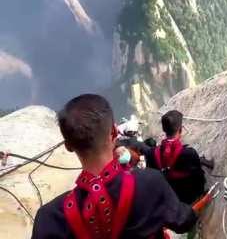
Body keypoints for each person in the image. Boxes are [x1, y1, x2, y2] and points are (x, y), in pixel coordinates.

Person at [31, 95, 214, 239]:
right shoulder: (150, 184)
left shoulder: (49, 220)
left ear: (68, 146)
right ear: (113, 132)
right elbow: (183, 222)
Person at [120, 110, 206, 205]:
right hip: (191, 195)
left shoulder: (153, 153)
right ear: (180, 130)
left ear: (164, 131)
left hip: (175, 198)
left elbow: (140, 146)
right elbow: (200, 177)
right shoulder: (189, 153)